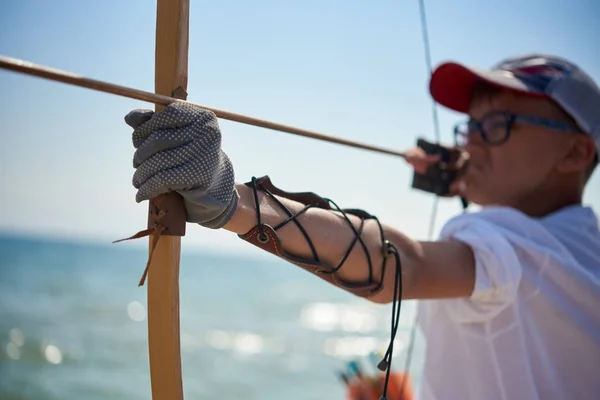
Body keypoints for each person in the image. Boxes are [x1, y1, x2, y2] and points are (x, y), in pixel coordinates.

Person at [124, 53, 600, 399]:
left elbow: (403, 263)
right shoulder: (581, 249)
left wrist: (232, 201)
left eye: (499, 125)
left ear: (576, 152)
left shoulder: (520, 247)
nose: (472, 143)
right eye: (469, 127)